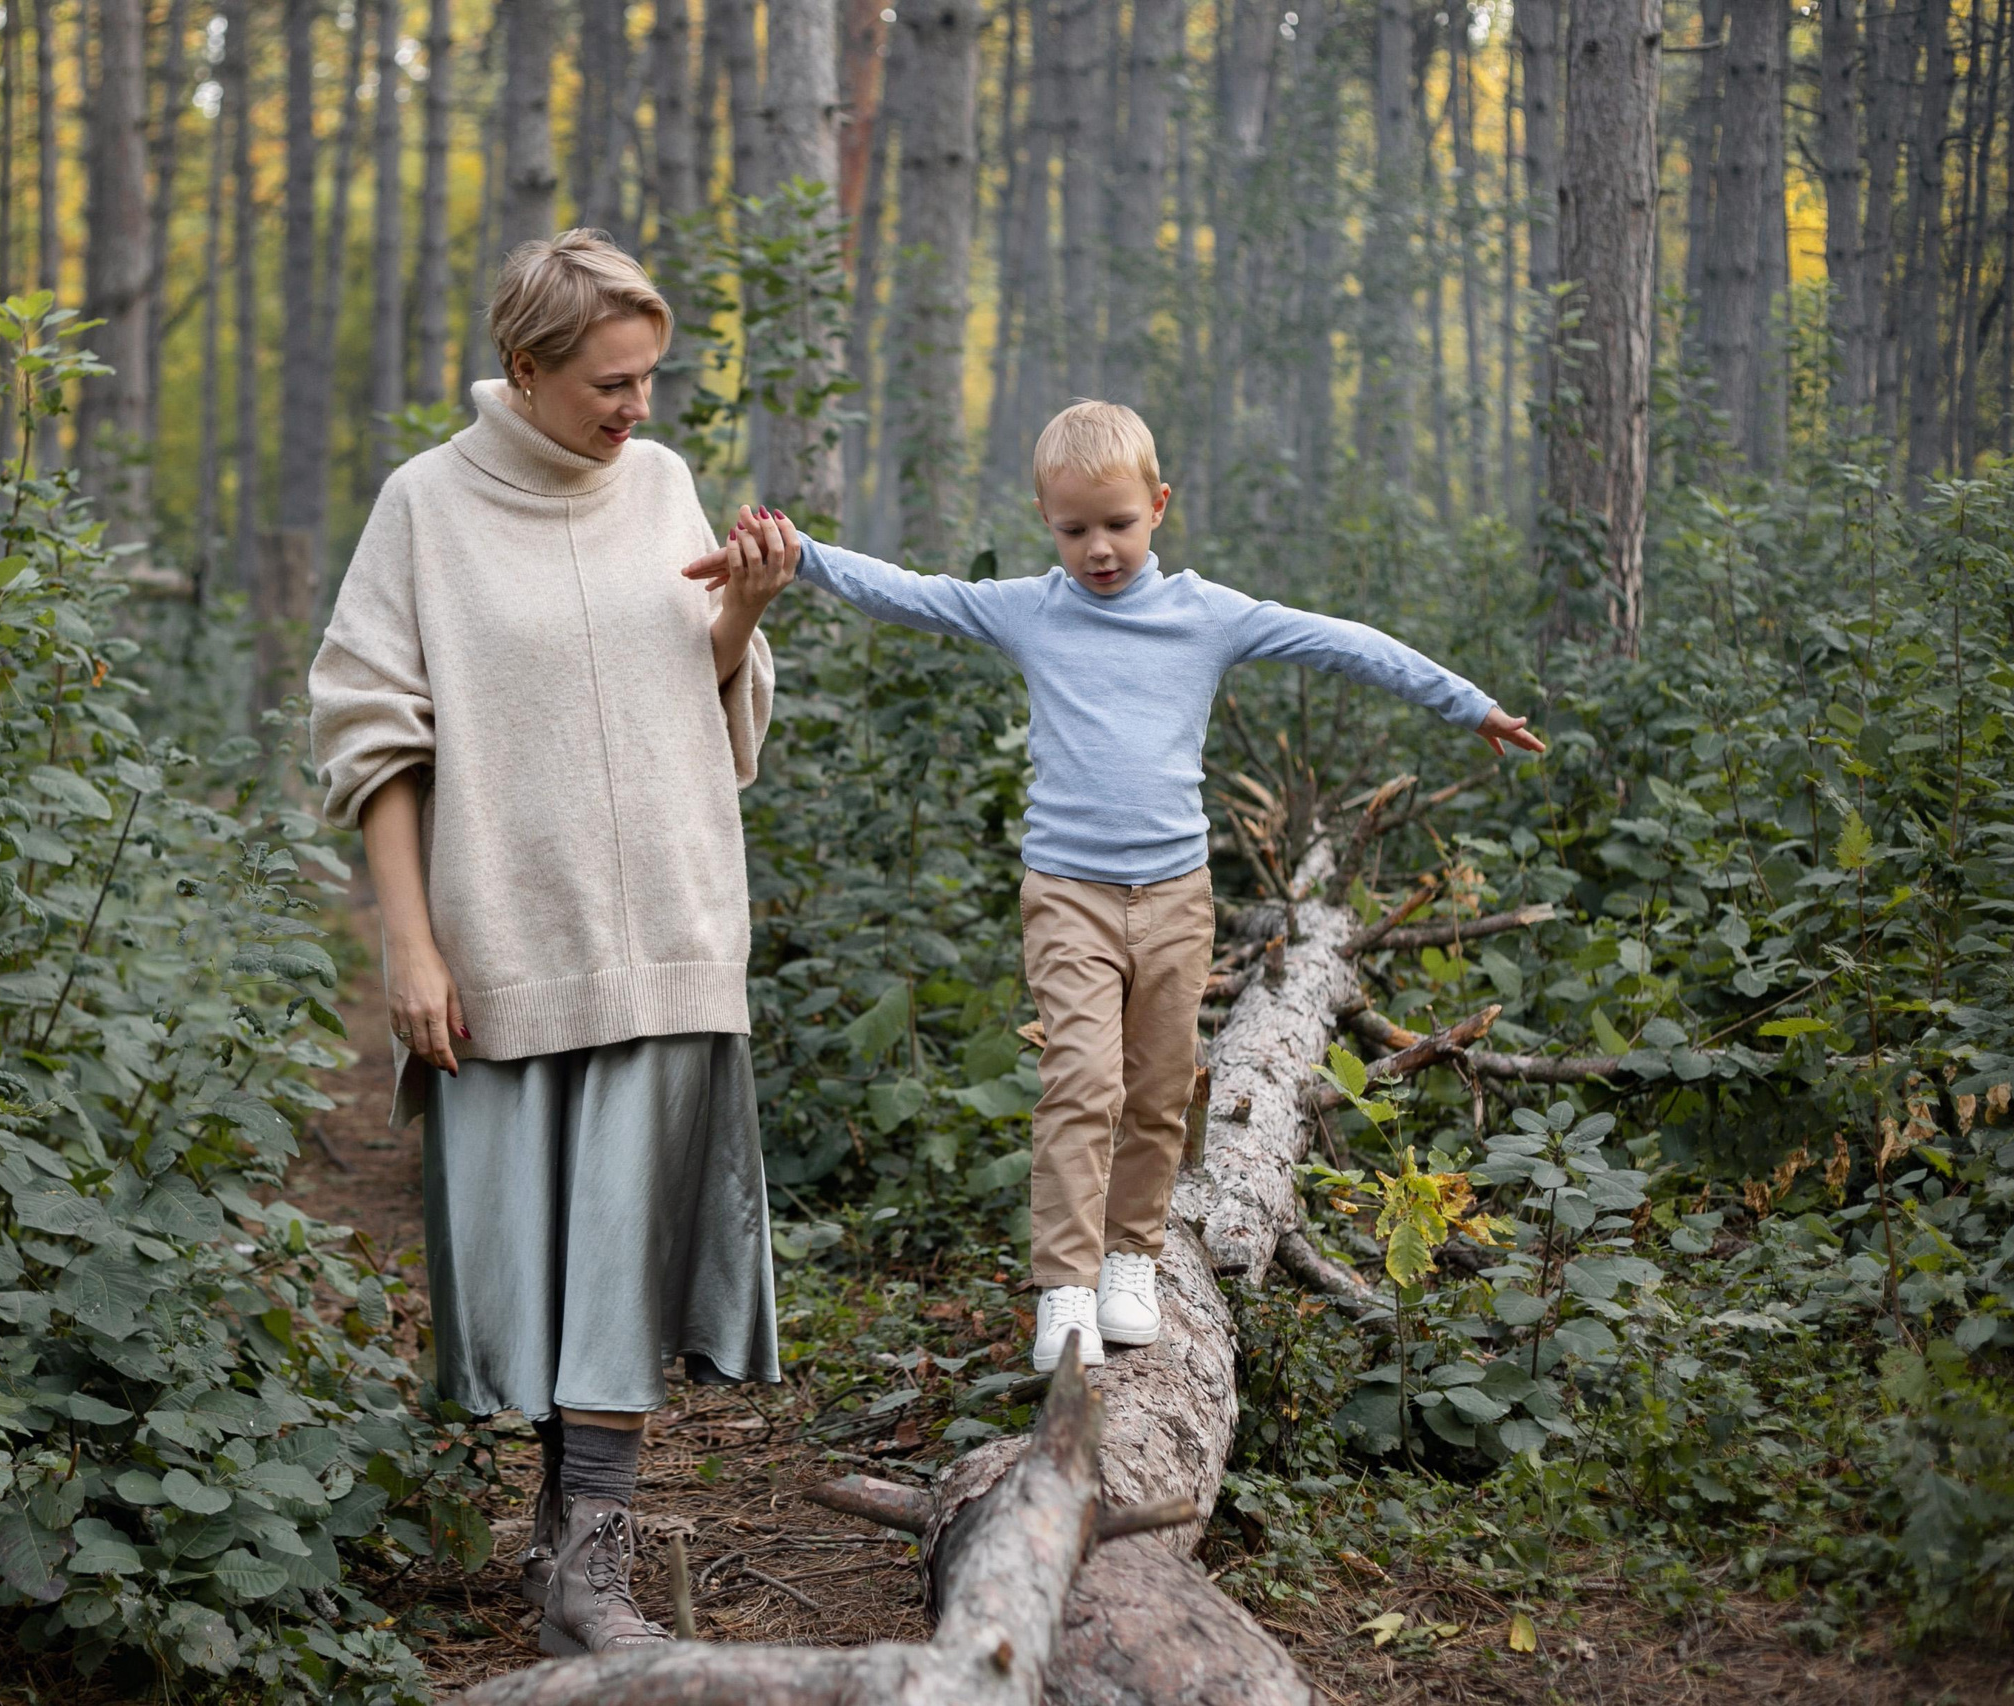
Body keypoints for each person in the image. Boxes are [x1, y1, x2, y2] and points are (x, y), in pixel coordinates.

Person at [686, 401, 1546, 1374]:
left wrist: (1467, 704)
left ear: (1158, 506)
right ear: (1045, 522)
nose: (1097, 549)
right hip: (1069, 895)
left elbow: (1343, 641)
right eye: (1073, 530)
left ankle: (1130, 1259)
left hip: (1176, 898)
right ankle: (1064, 1285)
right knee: (1081, 1083)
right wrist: (799, 554)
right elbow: (912, 593)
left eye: (1118, 524)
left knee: (1160, 1089)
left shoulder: (1207, 616)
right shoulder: (1030, 611)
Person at [308, 231, 798, 1656]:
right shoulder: (426, 506)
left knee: (625, 1255)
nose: (638, 406)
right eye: (610, 382)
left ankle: (590, 1563)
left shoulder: (661, 482)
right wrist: (408, 945)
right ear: (525, 369)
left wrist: (742, 610)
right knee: (537, 1268)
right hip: (509, 941)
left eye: (649, 379)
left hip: (674, 925)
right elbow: (371, 736)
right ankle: (561, 1531)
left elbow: (696, 689)